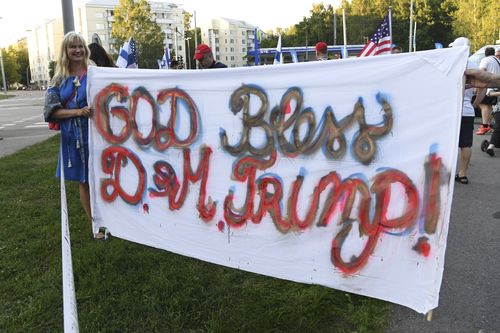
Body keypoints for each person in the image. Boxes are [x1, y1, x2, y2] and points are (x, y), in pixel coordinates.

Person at [43, 32, 103, 238]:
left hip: (99, 132)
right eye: (72, 47)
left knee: (104, 176)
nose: (77, 50)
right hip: (74, 136)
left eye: (80, 46)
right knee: (84, 180)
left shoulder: (95, 72)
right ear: (66, 51)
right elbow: (50, 112)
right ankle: (95, 224)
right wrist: (77, 112)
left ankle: (113, 218)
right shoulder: (58, 79)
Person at [449, 37, 486, 184]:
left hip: (450, 111)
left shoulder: (449, 64)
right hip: (467, 111)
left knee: (447, 143)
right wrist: (475, 104)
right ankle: (462, 174)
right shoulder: (474, 65)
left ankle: (445, 173)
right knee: (465, 144)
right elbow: (483, 87)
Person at [476, 47, 500, 135]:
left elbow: (481, 72)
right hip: (497, 86)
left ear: (485, 53)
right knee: (489, 106)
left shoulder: (485, 60)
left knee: (483, 105)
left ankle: (485, 125)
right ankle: (489, 125)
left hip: (488, 87)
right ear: (493, 53)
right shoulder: (497, 60)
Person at [481, 88, 500, 156]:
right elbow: (489, 93)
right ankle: (490, 147)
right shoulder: (497, 80)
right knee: (498, 126)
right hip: (498, 109)